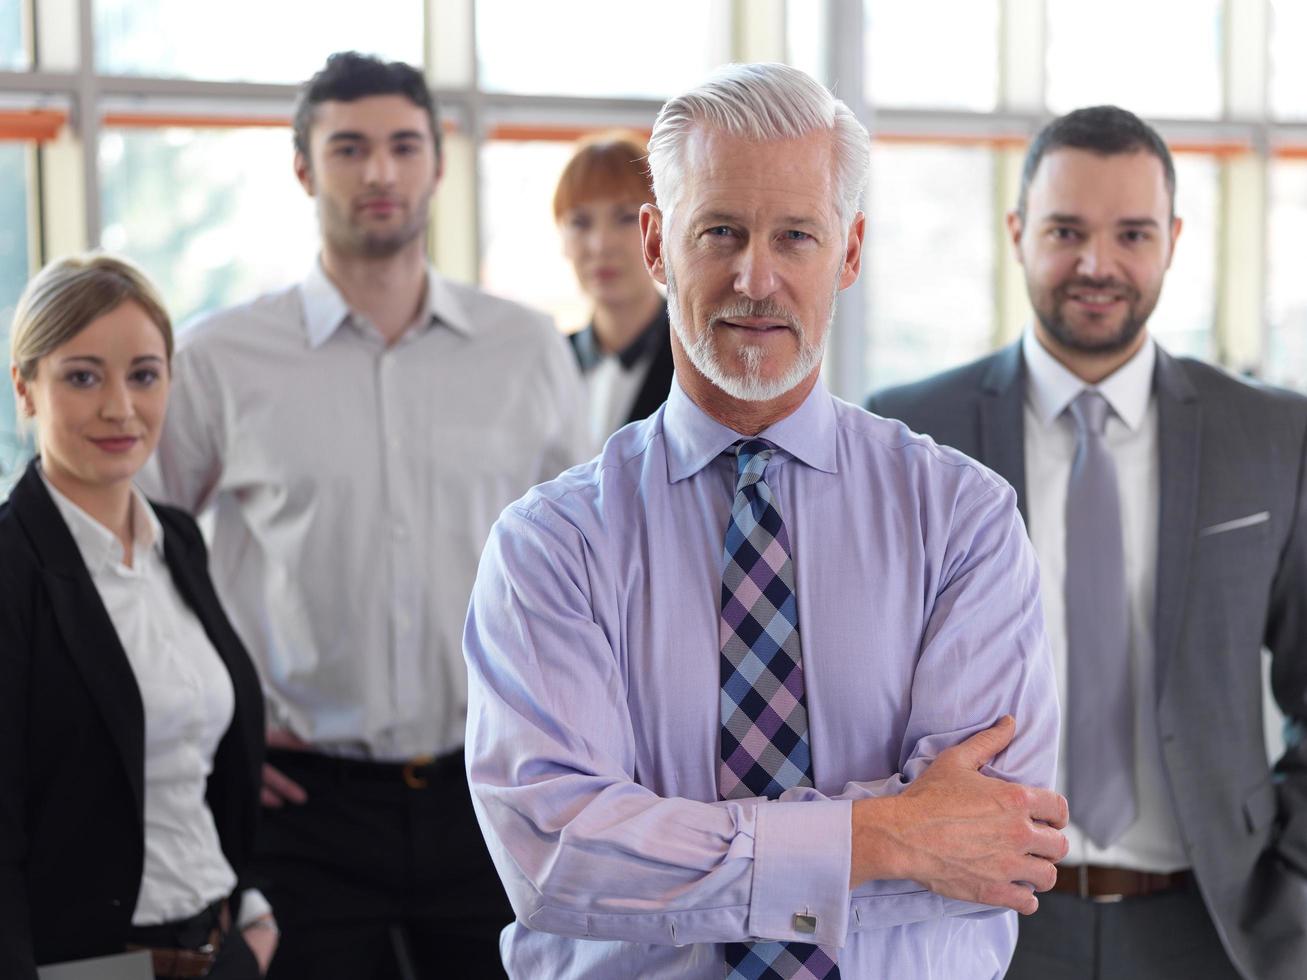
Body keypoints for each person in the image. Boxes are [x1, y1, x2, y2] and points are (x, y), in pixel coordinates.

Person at [464, 62, 1069, 979]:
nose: (756, 277)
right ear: (658, 245)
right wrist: (887, 834)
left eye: (796, 235)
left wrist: (665, 851)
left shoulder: (963, 521)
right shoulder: (550, 547)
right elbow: (560, 860)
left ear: (850, 253)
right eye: (720, 232)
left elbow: (985, 848)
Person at [141, 52, 586, 978]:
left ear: (437, 162)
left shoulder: (525, 348)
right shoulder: (223, 356)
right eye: (348, 148)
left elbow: (583, 563)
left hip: (494, 789)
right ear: (304, 168)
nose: (378, 172)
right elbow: (144, 552)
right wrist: (213, 730)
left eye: (401, 146)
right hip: (302, 806)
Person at [867, 106, 1307, 979]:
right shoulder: (910, 432)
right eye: (1065, 230)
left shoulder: (1270, 435)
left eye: (1131, 233)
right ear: (1016, 231)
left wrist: (1291, 892)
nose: (1096, 265)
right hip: (974, 918)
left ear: (1173, 240)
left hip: (1214, 926)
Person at [0, 254, 271, 979]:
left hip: (217, 946)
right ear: (26, 389)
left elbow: (197, 763)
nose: (120, 407)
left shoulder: (177, 540)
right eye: (83, 376)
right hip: (88, 964)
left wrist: (245, 909)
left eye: (144, 375)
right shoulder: (10, 568)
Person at [556, 133, 674, 449]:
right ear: (562, 239)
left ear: (658, 232)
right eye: (580, 222)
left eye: (624, 218)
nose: (600, 244)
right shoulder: (548, 360)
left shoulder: (696, 362)